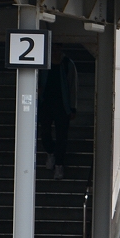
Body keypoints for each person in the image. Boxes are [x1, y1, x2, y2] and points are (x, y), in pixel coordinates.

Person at [38, 46, 78, 180]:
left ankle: (59, 164)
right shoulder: (43, 64)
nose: (55, 53)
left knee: (62, 137)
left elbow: (72, 86)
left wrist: (73, 107)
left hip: (63, 105)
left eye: (57, 50)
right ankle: (51, 152)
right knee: (45, 132)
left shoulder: (67, 64)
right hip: (46, 104)